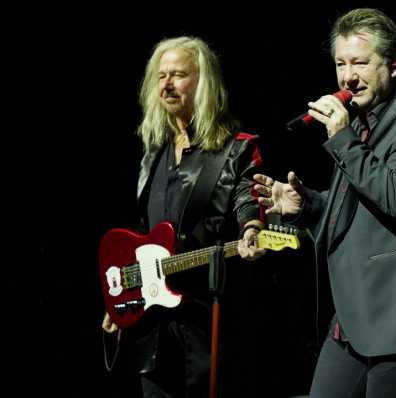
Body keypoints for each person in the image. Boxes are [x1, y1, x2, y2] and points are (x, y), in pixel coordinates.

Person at [253, 8, 396, 398]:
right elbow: (364, 198)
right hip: (353, 315)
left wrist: (343, 139)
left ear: (393, 65)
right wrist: (309, 205)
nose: (348, 77)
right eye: (340, 64)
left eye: (360, 63)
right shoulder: (367, 117)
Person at [100, 36, 265, 398]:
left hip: (208, 318)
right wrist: (125, 298)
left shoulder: (235, 148)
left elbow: (248, 198)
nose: (167, 84)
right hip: (153, 324)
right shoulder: (153, 153)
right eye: (161, 76)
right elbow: (143, 237)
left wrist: (252, 227)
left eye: (178, 74)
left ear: (202, 83)